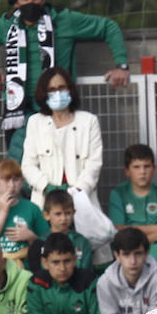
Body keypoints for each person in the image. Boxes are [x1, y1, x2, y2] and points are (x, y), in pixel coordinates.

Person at [0, 0, 130, 153]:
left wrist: (121, 66)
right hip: (19, 110)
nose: (31, 2)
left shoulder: (65, 20)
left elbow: (109, 27)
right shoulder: (7, 25)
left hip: (57, 106)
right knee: (19, 163)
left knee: (59, 161)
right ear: (16, 3)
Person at [18, 66, 115, 256]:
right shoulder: (35, 122)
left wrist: (75, 192)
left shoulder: (89, 121)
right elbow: (28, 165)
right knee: (47, 255)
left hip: (81, 201)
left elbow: (94, 164)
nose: (57, 93)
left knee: (87, 254)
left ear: (70, 89)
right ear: (44, 94)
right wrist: (49, 188)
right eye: (52, 90)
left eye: (61, 88)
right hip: (45, 202)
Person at [27, 233, 103, 314]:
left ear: (75, 260)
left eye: (67, 261)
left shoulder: (89, 282)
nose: (62, 268)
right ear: (44, 263)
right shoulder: (36, 283)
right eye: (55, 262)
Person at [107, 144, 157, 265]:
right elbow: (118, 230)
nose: (142, 172)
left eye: (147, 166)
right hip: (127, 245)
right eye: (136, 167)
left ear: (154, 168)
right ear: (127, 170)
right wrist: (156, 227)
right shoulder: (118, 194)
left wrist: (132, 229)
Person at [96, 226, 157, 314]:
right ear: (117, 256)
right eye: (126, 254)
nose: (133, 261)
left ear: (146, 253)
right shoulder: (104, 283)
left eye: (138, 253)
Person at [0, 159, 44, 261]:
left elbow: (47, 244)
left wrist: (31, 237)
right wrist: (3, 212)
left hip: (25, 267)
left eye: (16, 180)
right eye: (6, 180)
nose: (11, 185)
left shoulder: (32, 208)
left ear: (22, 182)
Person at [26, 189, 93, 274]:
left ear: (74, 213)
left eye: (68, 213)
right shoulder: (39, 244)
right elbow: (35, 275)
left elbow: (86, 273)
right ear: (46, 215)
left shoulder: (82, 242)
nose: (63, 218)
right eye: (58, 214)